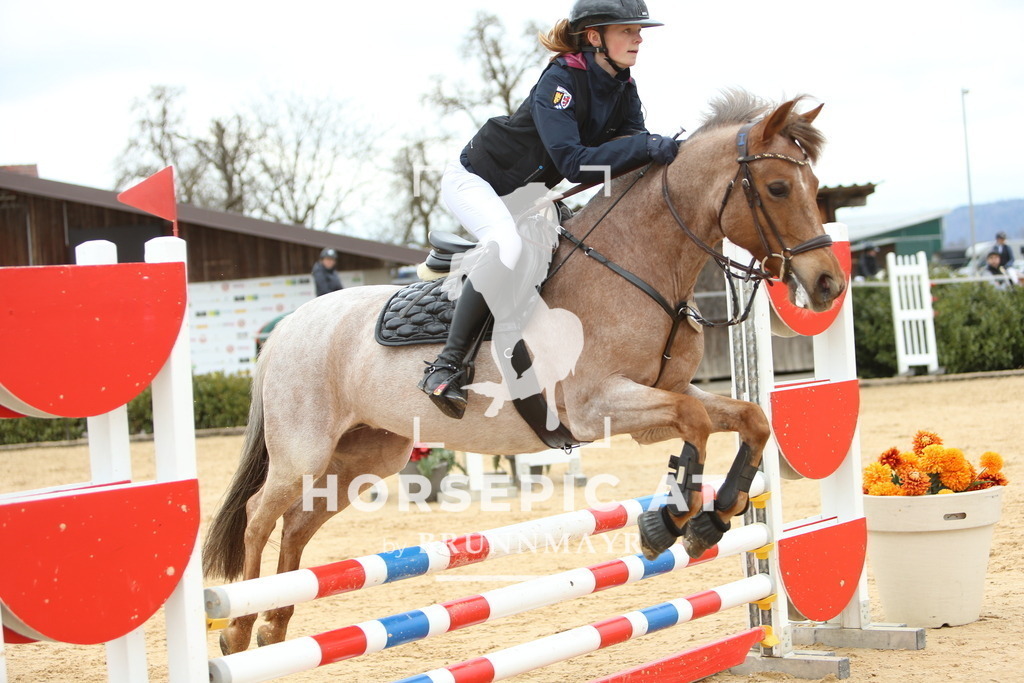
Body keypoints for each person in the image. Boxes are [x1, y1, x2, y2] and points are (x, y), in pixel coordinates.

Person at [418, 0, 677, 420]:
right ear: (595, 37)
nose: (639, 37)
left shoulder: (623, 86)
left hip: (529, 194)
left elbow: (632, 152)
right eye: (628, 30)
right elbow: (575, 162)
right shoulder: (560, 81)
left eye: (638, 30)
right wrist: (646, 146)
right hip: (478, 182)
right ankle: (446, 366)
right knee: (505, 245)